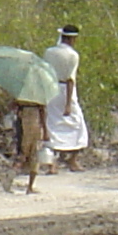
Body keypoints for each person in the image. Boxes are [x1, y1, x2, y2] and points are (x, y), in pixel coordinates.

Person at [45, 25, 88, 170]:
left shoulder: (49, 52)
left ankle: (53, 162)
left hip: (50, 88)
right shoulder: (72, 55)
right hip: (65, 90)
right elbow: (70, 79)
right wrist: (68, 103)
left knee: (51, 123)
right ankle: (72, 160)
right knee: (78, 123)